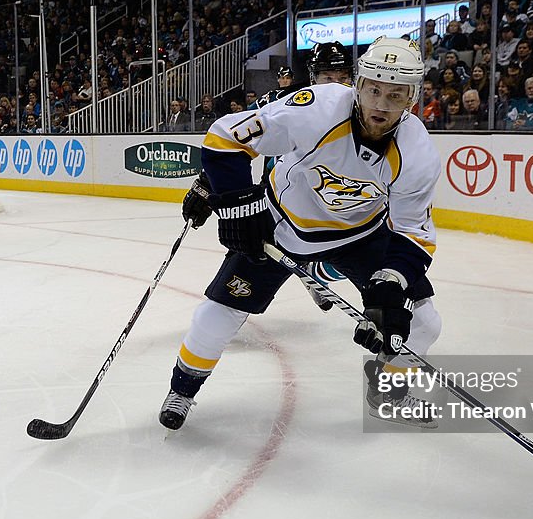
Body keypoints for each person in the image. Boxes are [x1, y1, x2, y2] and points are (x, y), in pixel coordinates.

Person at [163, 37, 442, 431]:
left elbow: (414, 231)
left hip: (360, 235)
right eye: (374, 89)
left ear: (412, 98)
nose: (381, 104)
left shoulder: (418, 155)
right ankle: (182, 389)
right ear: (358, 84)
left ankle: (388, 394)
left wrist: (389, 284)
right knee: (215, 317)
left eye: (395, 95)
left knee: (425, 321)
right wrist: (237, 205)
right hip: (282, 223)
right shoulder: (319, 108)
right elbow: (225, 137)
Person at [184, 41, 356, 311]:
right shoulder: (286, 102)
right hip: (277, 193)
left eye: (343, 78)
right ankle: (226, 306)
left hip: (332, 201)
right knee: (248, 249)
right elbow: (237, 135)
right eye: (327, 78)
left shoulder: (365, 112)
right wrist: (208, 184)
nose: (336, 85)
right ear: (313, 77)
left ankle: (314, 274)